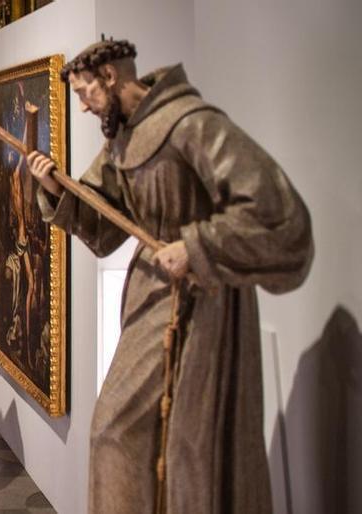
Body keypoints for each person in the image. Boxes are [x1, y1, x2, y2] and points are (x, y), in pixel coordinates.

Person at [25, 39, 313, 513]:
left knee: (176, 437)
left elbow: (277, 213)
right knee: (120, 432)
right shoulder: (125, 136)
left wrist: (198, 245)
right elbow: (104, 220)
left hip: (203, 300)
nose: (81, 106)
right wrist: (55, 187)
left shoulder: (193, 123)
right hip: (152, 292)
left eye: (84, 92)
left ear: (111, 77)